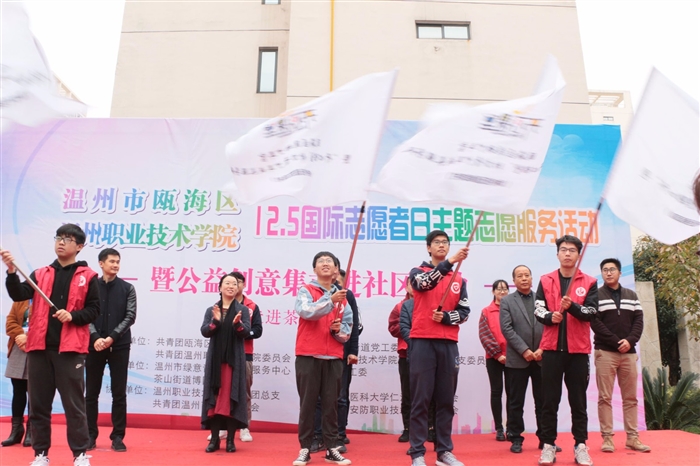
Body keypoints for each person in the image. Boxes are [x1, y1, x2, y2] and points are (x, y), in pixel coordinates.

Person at [2, 224, 100, 466]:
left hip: (70, 350)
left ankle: (80, 454)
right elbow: (18, 294)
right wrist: (12, 272)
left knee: (74, 406)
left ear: (79, 246)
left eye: (68, 239)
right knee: (38, 405)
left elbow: (94, 310)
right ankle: (40, 454)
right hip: (39, 349)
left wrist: (72, 316)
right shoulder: (40, 274)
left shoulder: (88, 277)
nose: (61, 242)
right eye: (59, 238)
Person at [534, 235, 598, 466]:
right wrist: (550, 317)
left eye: (572, 250)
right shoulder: (546, 280)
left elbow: (591, 313)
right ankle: (548, 445)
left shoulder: (589, 281)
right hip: (551, 350)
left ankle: (580, 445)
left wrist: (572, 307)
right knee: (549, 401)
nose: (568, 253)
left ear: (578, 254)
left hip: (578, 352)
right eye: (563, 249)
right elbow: (538, 310)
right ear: (557, 253)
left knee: (578, 401)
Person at [408, 230, 470, 466]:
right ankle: (417, 453)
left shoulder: (459, 279)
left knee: (445, 400)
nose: (442, 245)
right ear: (428, 248)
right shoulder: (418, 272)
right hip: (423, 341)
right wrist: (449, 262)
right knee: (421, 400)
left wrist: (445, 317)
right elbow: (424, 284)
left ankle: (444, 451)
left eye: (445, 242)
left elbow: (464, 312)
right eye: (437, 242)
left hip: (448, 344)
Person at [292, 251, 353, 466]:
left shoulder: (343, 298)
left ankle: (331, 448)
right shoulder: (306, 290)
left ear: (336, 269)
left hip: (333, 357)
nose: (325, 264)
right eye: (321, 261)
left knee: (331, 405)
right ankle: (305, 448)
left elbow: (347, 330)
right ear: (314, 269)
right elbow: (306, 311)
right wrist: (329, 300)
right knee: (308, 404)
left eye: (330, 261)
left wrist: (338, 330)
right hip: (308, 355)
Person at [591, 258, 650, 453]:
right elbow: (595, 323)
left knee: (630, 398)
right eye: (605, 270)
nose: (608, 273)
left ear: (619, 272)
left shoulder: (631, 295)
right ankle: (607, 438)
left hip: (628, 353)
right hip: (605, 352)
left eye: (612, 269)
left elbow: (639, 320)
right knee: (605, 398)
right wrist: (617, 341)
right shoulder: (595, 296)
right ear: (602, 273)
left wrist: (630, 341)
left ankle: (632, 438)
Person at [500, 265, 558, 454]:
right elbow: (506, 328)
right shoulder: (507, 301)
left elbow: (550, 325)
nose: (524, 278)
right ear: (514, 281)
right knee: (516, 402)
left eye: (527, 275)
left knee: (544, 401)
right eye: (520, 276)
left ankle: (546, 439)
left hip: (542, 358)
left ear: (532, 279)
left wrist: (542, 348)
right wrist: (524, 350)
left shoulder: (543, 299)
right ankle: (516, 438)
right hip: (518, 360)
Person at [86, 248, 137, 452]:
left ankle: (117, 437)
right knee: (91, 393)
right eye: (112, 261)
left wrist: (112, 337)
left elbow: (130, 316)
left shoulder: (128, 288)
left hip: (120, 346)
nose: (115, 265)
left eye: (118, 262)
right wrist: (95, 338)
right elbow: (85, 315)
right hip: (94, 346)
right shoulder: (90, 288)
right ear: (101, 263)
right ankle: (90, 435)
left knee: (119, 393)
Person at [311, 267, 360, 455]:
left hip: (341, 353)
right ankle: (318, 436)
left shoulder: (347, 296)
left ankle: (339, 436)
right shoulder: (313, 292)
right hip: (317, 352)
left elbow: (354, 326)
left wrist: (353, 351)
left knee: (340, 397)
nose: (332, 274)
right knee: (318, 397)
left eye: (335, 272)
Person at [200, 273, 251, 453]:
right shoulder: (212, 309)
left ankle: (230, 440)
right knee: (214, 399)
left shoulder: (242, 310)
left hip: (233, 362)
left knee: (231, 398)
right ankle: (214, 440)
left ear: (238, 288)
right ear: (220, 287)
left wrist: (237, 324)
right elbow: (205, 331)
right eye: (227, 283)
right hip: (216, 362)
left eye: (234, 284)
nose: (231, 286)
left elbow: (246, 332)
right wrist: (215, 321)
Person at [231, 270, 263, 444]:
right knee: (223, 391)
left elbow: (257, 331)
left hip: (245, 354)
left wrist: (242, 332)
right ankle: (222, 427)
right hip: (225, 354)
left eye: (238, 282)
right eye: (230, 282)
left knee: (244, 392)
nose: (234, 286)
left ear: (244, 285)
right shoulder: (219, 306)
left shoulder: (252, 306)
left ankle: (244, 427)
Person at [477, 280, 509, 443]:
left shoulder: (513, 309)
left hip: (513, 357)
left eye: (505, 289)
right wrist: (497, 354)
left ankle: (511, 427)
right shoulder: (486, 311)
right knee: (496, 392)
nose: (502, 292)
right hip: (494, 358)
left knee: (512, 394)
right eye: (499, 289)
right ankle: (499, 428)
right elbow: (484, 334)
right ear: (493, 291)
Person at [2, 299, 32, 448]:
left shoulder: (47, 299)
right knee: (18, 390)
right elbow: (10, 323)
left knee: (35, 392)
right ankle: (16, 430)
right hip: (18, 346)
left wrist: (29, 337)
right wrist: (21, 335)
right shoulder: (20, 300)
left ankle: (32, 430)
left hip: (37, 348)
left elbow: (48, 325)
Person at [388, 281, 413, 443]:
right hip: (406, 353)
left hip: (427, 354)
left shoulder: (429, 305)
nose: (414, 287)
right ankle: (408, 428)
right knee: (407, 393)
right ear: (406, 287)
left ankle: (430, 428)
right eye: (411, 284)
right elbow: (392, 328)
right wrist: (408, 327)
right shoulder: (400, 306)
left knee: (428, 393)